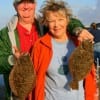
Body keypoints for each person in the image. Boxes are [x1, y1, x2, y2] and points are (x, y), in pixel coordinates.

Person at [0, 0, 94, 100]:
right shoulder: (5, 34)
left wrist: (78, 30)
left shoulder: (45, 24)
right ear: (15, 6)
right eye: (21, 2)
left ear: (35, 4)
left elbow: (68, 19)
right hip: (19, 94)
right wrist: (12, 60)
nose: (26, 6)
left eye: (30, 1)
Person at [30, 0, 96, 100]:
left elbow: (90, 75)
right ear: (46, 23)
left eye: (60, 19)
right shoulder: (40, 46)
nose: (56, 25)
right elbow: (33, 81)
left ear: (67, 20)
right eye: (51, 21)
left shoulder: (79, 43)